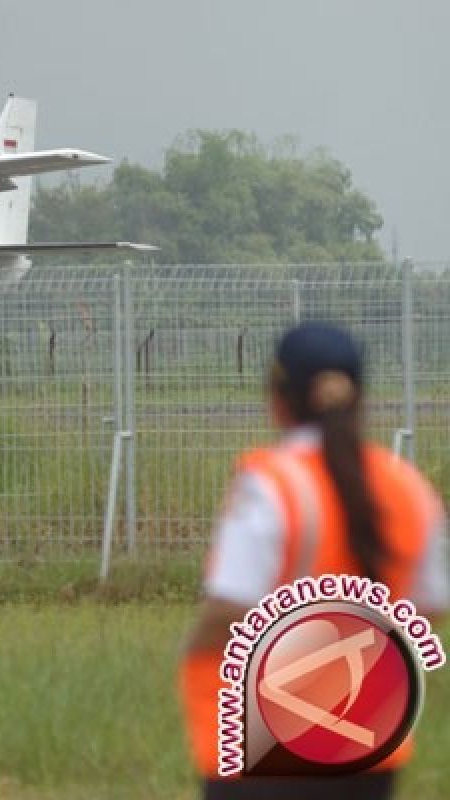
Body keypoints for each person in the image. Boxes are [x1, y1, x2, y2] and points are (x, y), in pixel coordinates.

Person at [179, 321, 448, 799]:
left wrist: (192, 651)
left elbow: (229, 607)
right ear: (360, 399)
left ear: (279, 400)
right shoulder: (409, 487)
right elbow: (431, 605)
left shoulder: (271, 485)